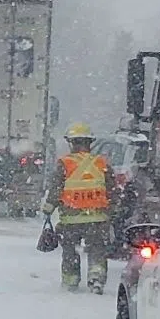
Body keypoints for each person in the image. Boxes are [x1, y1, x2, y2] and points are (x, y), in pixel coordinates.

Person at [52, 123, 117, 292]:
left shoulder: (64, 163)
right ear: (90, 143)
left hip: (71, 218)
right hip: (97, 218)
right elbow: (112, 190)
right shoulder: (101, 163)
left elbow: (56, 189)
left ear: (72, 143)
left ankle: (71, 280)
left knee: (70, 250)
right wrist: (112, 210)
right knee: (97, 250)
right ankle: (96, 278)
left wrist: (48, 209)